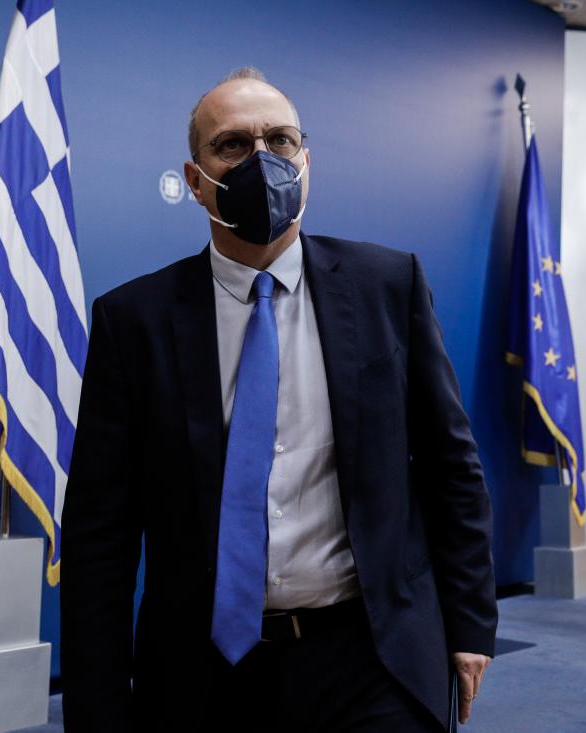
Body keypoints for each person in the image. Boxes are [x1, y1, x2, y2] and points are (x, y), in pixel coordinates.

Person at [60, 67, 497, 733]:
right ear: (195, 179)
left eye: (281, 141)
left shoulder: (388, 285)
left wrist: (469, 624)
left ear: (306, 162)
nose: (261, 161)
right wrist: (96, 701)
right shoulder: (133, 321)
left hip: (372, 657)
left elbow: (450, 466)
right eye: (232, 145)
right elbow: (101, 529)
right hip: (201, 670)